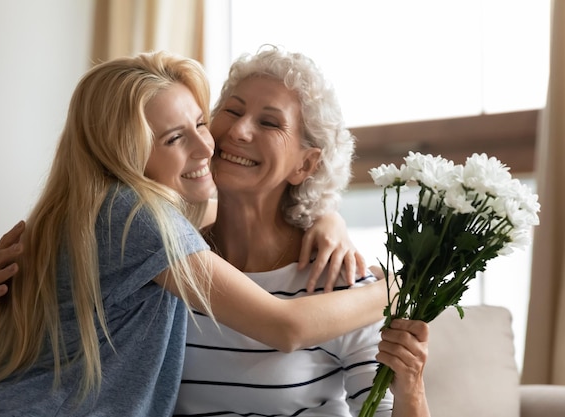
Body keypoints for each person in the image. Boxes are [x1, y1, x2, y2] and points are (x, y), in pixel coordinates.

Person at [0, 51, 391, 417]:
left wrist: (325, 216)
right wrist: (398, 287)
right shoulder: (142, 222)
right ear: (127, 154)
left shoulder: (109, 214)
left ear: (306, 163)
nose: (211, 145)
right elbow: (286, 327)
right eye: (173, 138)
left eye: (201, 124)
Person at [174, 46, 430, 416]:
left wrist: (413, 387)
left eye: (269, 122)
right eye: (232, 110)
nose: (240, 130)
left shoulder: (340, 286)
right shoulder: (173, 263)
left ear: (305, 164)